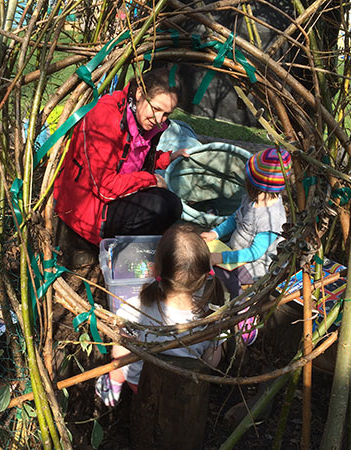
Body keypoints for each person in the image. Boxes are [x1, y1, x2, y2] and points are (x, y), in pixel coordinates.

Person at [54, 67, 188, 245]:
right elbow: (105, 188)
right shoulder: (106, 119)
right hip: (87, 208)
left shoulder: (139, 117)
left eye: (166, 114)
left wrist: (167, 158)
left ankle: (138, 253)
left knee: (173, 205)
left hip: (114, 195)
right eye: (156, 108)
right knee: (159, 207)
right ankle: (117, 251)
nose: (159, 119)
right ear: (140, 93)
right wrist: (151, 179)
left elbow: (134, 157)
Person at [95, 224, 224, 406]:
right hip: (185, 387)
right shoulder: (210, 314)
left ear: (155, 270)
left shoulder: (136, 308)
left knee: (120, 354)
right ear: (205, 274)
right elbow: (212, 360)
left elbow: (119, 351)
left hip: (141, 384)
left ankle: (113, 386)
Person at [201, 148, 291, 344]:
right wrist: (215, 233)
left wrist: (221, 258)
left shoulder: (271, 217)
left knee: (230, 280)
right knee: (212, 265)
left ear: (255, 185)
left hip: (255, 265)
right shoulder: (251, 199)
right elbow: (235, 219)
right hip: (234, 252)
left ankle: (244, 313)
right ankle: (216, 298)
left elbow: (255, 252)